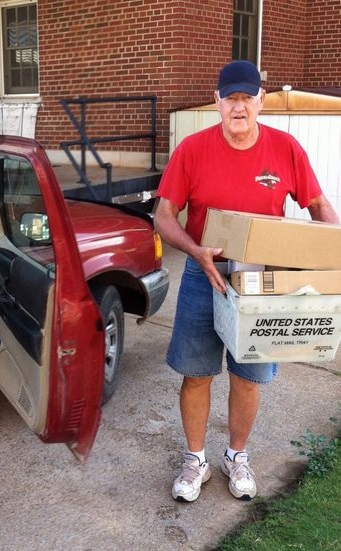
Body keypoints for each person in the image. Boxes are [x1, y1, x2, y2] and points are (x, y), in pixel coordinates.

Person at [154, 60, 339, 503]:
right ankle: (195, 459)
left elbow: (318, 207)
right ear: (217, 101)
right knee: (197, 374)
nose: (239, 107)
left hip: (263, 284)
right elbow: (163, 217)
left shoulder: (285, 148)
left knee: (248, 376)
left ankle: (236, 456)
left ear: (261, 100)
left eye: (247, 98)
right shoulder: (192, 150)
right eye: (230, 98)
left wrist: (332, 258)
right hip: (206, 275)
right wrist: (194, 250)